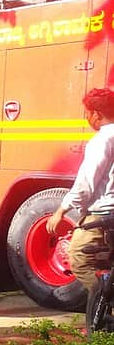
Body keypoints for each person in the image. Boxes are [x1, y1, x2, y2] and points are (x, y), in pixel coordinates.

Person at [47, 87, 114, 300]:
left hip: (104, 213)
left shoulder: (103, 140)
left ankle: (103, 310)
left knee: (79, 259)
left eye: (87, 113)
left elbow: (85, 185)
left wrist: (61, 211)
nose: (87, 119)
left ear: (97, 114)